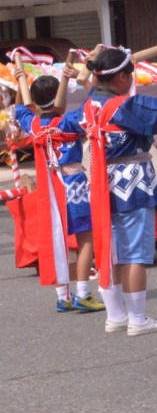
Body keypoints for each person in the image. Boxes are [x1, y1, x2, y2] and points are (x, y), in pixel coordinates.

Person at [60, 44, 157, 336]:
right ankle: (137, 319)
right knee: (134, 253)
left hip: (100, 182)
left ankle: (116, 316)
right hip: (131, 183)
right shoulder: (126, 106)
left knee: (109, 251)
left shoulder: (89, 106)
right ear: (121, 77)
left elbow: (69, 119)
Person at [12, 71, 104, 314]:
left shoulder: (33, 124)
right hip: (73, 184)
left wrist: (21, 82)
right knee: (86, 238)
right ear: (61, 96)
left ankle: (63, 296)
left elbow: (19, 109)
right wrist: (83, 78)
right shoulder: (68, 121)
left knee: (56, 238)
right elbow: (95, 100)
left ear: (35, 101)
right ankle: (83, 293)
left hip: (51, 188)